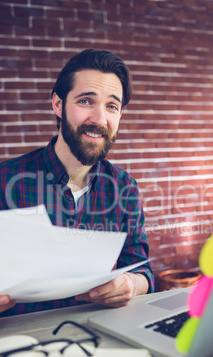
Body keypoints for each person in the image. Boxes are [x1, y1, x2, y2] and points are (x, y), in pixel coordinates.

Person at [0, 49, 154, 316]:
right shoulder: (5, 181)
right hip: (22, 343)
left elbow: (142, 271)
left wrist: (131, 283)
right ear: (58, 105)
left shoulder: (125, 188)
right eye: (85, 101)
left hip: (102, 337)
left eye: (112, 106)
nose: (99, 118)